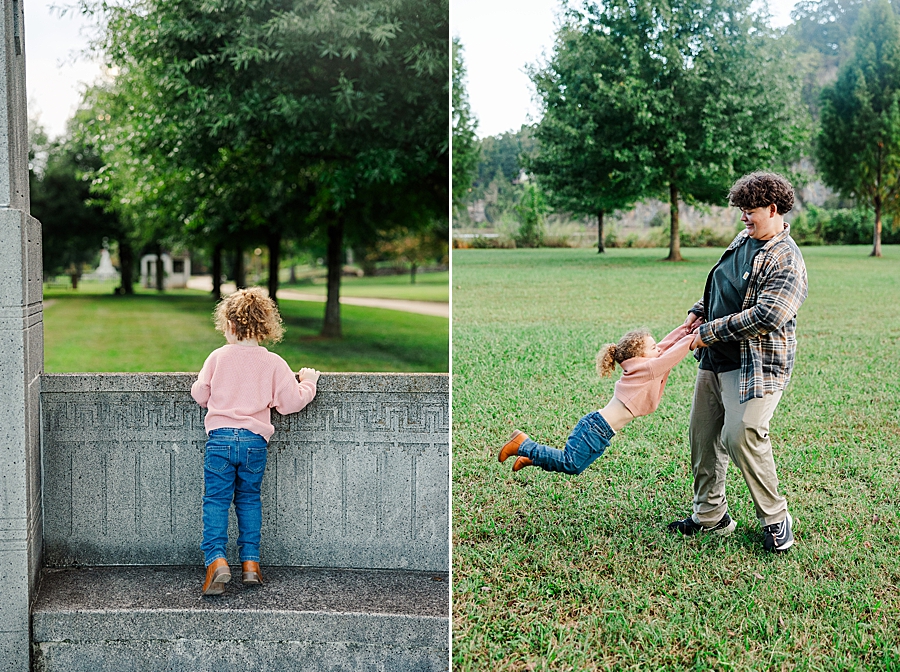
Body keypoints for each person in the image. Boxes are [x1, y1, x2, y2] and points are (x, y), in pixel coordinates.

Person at [668, 171, 807, 553]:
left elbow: (766, 316)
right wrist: (700, 311)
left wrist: (709, 330)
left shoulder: (787, 259)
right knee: (703, 436)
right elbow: (724, 283)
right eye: (741, 210)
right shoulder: (744, 239)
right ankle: (711, 518)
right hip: (715, 360)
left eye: (750, 210)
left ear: (773, 209)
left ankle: (777, 519)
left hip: (756, 365)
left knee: (742, 432)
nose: (743, 217)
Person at [191, 287, 319, 595]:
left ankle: (216, 560)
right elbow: (289, 403)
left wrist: (201, 384)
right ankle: (251, 564)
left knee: (217, 501)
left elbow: (201, 395)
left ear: (230, 326)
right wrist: (309, 384)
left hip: (220, 441)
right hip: (254, 443)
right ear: (264, 328)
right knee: (248, 499)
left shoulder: (217, 357)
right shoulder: (274, 363)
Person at [498, 324, 696, 475]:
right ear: (640, 356)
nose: (658, 349)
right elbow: (672, 355)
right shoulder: (647, 369)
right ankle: (523, 443)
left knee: (576, 467)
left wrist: (688, 328)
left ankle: (531, 457)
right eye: (653, 348)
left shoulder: (645, 364)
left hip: (602, 430)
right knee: (571, 463)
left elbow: (666, 346)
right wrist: (694, 338)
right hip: (596, 428)